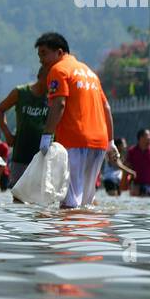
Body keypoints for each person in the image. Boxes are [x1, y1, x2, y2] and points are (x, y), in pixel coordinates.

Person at [35, 32, 115, 209]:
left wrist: (47, 135)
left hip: (74, 141)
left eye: (44, 54)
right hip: (99, 144)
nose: (41, 60)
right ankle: (86, 235)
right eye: (39, 55)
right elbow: (107, 108)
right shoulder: (89, 72)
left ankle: (69, 237)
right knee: (86, 201)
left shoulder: (58, 70)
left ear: (59, 52)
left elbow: (59, 105)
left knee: (69, 203)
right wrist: (111, 141)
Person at [126, 128, 150, 197]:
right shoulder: (132, 150)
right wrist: (126, 179)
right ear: (141, 138)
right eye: (148, 135)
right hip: (135, 183)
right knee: (134, 200)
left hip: (148, 183)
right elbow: (128, 165)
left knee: (146, 198)